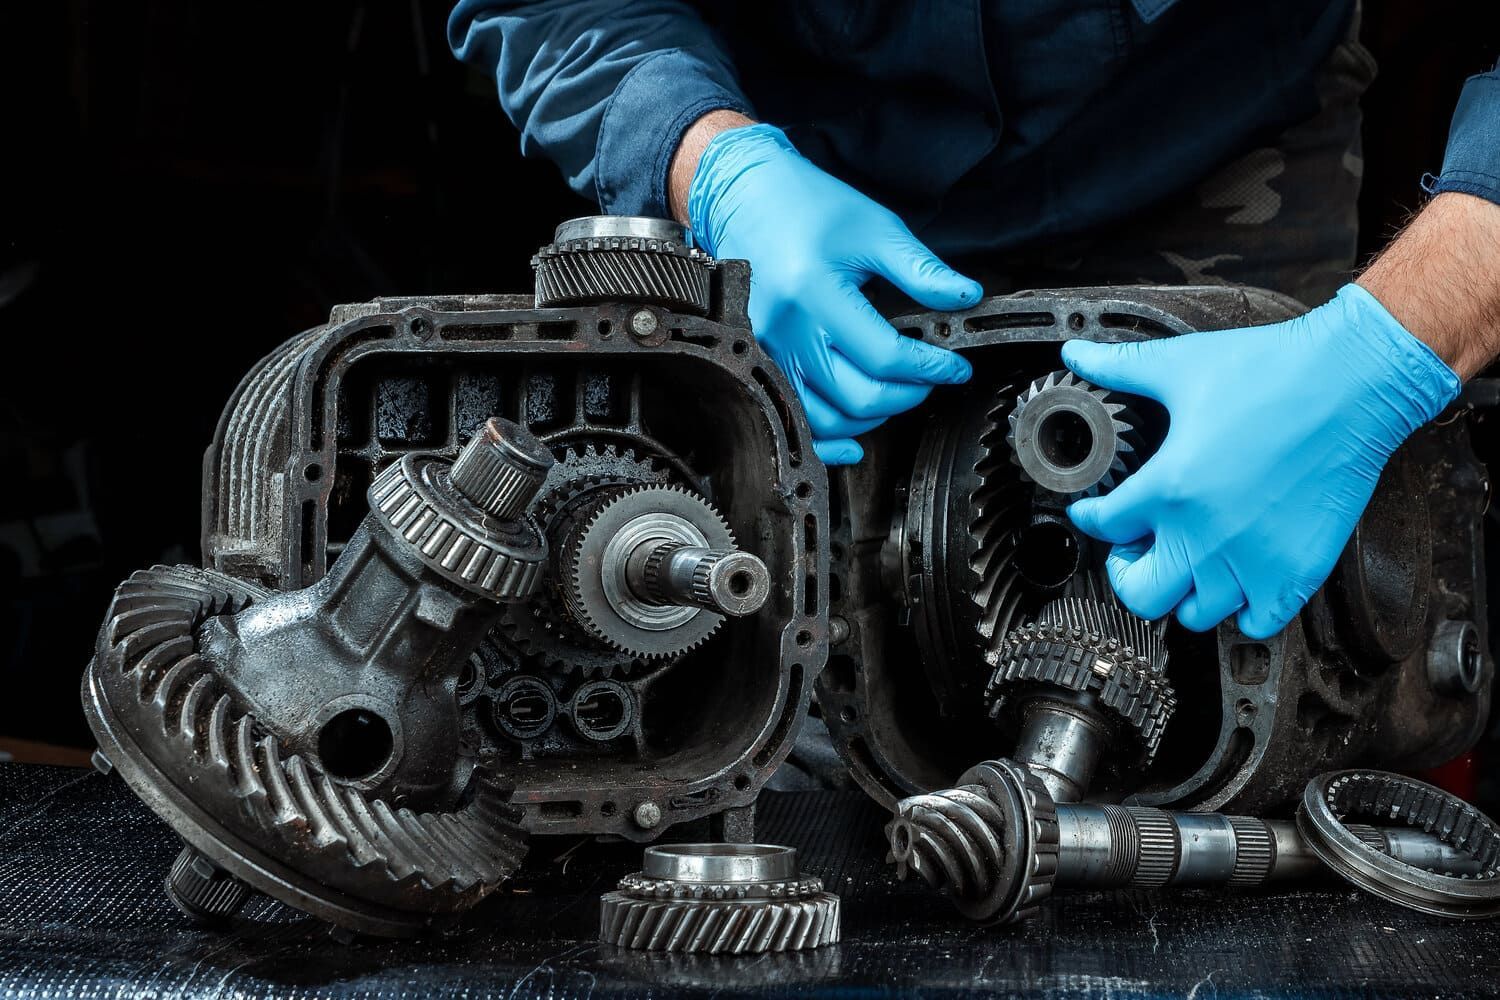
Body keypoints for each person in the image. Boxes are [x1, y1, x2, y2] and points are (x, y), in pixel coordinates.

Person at [448, 1, 1499, 640]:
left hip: (1214, 128)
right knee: (813, 630)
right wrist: (712, 160)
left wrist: (1387, 349)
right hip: (818, 169)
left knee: (1292, 630)